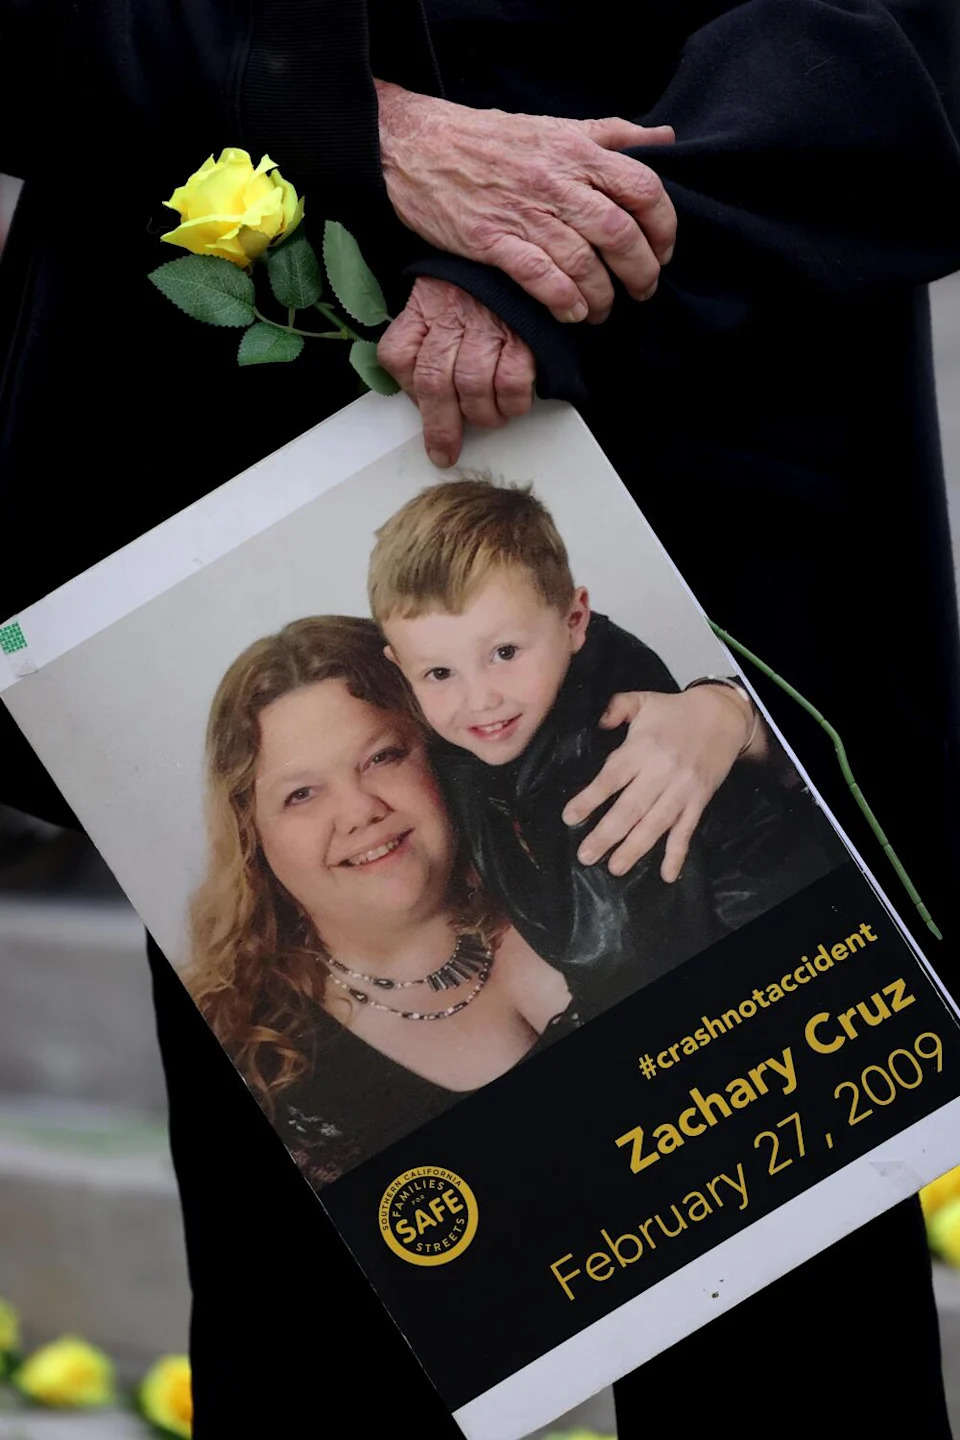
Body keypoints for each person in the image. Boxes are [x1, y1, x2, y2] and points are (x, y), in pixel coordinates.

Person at [0, 0, 957, 1434]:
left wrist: (576, 232)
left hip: (722, 429)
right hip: (245, 460)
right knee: (322, 1317)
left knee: (788, 1316)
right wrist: (344, 125)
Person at [371, 476, 846, 1014]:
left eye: (505, 652)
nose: (479, 699)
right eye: (438, 672)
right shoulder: (458, 760)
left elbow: (758, 884)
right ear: (401, 671)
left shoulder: (628, 734)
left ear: (574, 622)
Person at [185, 615, 574, 1186]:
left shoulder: (571, 862)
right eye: (301, 794)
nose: (360, 810)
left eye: (382, 757)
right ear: (253, 836)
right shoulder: (241, 1055)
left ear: (439, 754)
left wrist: (734, 714)